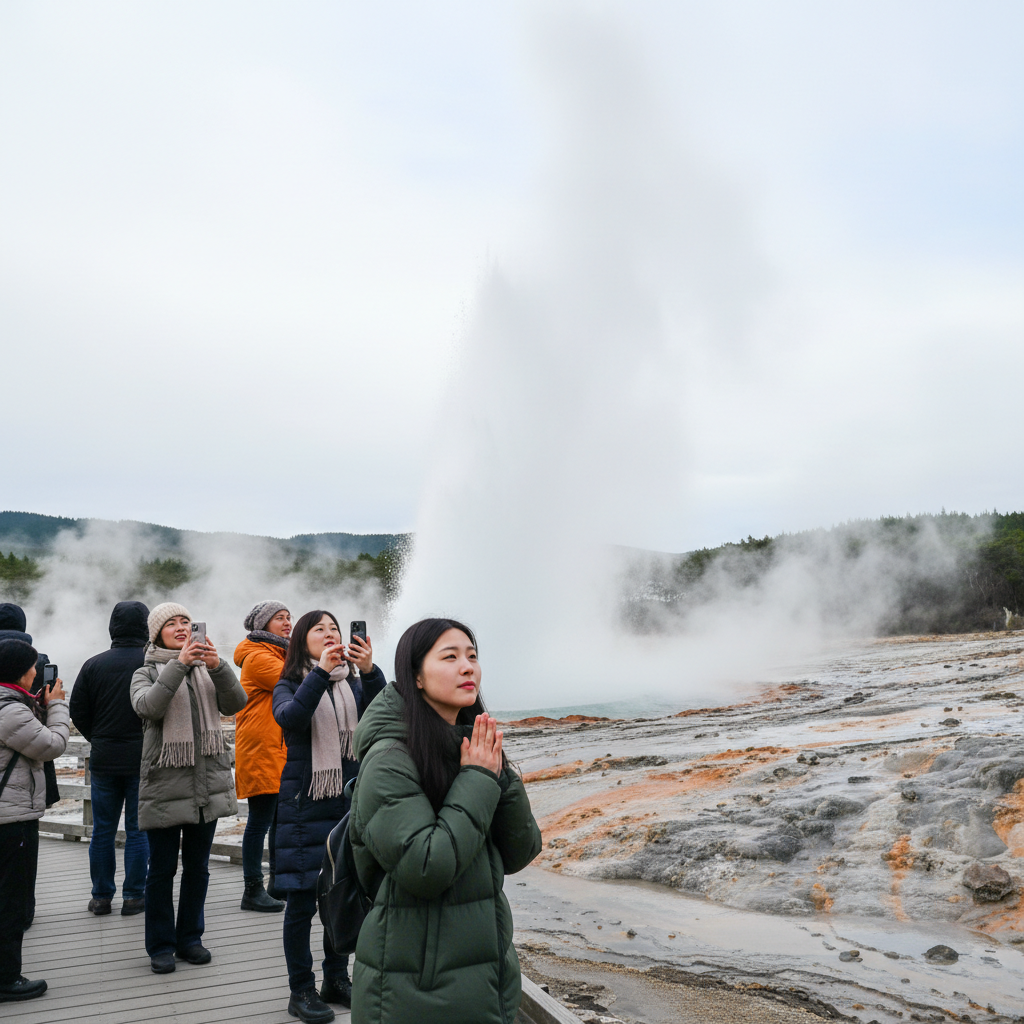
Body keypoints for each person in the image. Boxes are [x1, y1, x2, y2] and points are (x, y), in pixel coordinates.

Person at [348, 618, 542, 1024]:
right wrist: (478, 778)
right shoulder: (388, 760)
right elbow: (426, 867)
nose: (468, 667)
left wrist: (497, 773)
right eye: (450, 657)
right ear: (415, 676)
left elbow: (521, 851)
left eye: (472, 656)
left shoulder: (469, 746)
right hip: (414, 985)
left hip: (487, 972)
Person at [272, 610, 386, 1024]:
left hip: (347, 806)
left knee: (341, 897)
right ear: (303, 641)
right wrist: (319, 674)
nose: (330, 634)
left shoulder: (354, 684)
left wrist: (370, 670)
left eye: (334, 629)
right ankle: (300, 989)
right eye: (319, 630)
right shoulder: (288, 684)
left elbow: (384, 714)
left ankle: (336, 979)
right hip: (304, 807)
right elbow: (291, 718)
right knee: (302, 903)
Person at [130, 602, 247, 974]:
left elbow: (237, 702)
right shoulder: (144, 671)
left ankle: (190, 939)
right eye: (171, 624)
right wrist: (180, 664)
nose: (181, 627)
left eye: (186, 621)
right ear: (156, 634)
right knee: (162, 869)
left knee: (198, 867)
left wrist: (218, 666)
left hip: (206, 785)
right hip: (165, 784)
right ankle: (161, 945)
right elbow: (149, 707)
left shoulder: (207, 671)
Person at [69, 601, 151, 917]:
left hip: (104, 759)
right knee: (137, 830)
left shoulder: (93, 665)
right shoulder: (151, 664)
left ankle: (101, 897)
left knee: (102, 830)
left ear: (112, 628)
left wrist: (99, 739)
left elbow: (78, 711)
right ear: (147, 626)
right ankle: (133, 897)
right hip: (143, 759)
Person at [0, 638, 69, 1003]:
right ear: (20, 671)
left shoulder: (13, 703)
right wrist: (56, 705)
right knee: (11, 900)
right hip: (11, 819)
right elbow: (52, 745)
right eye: (32, 666)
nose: (36, 672)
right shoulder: (9, 709)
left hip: (7, 814)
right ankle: (7, 978)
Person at [233, 599, 291, 912]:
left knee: (279, 821)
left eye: (288, 617)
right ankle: (252, 889)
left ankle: (276, 883)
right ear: (263, 625)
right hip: (261, 749)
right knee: (260, 821)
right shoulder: (258, 657)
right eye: (279, 618)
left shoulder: (279, 652)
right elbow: (296, 680)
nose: (287, 622)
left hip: (276, 748)